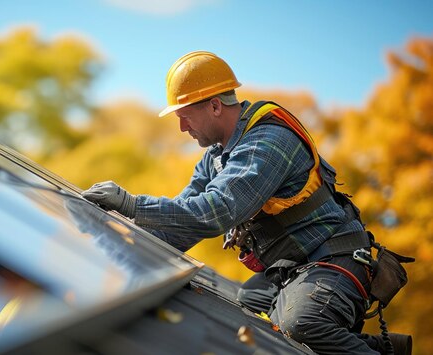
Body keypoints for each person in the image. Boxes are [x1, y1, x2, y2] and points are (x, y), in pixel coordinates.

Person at [82, 51, 412, 355]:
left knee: (302, 325)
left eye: (185, 116)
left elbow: (215, 212)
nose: (182, 127)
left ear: (214, 106)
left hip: (334, 261)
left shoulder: (267, 143)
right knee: (245, 306)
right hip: (293, 269)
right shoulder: (214, 158)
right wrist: (111, 240)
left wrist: (130, 203)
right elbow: (181, 224)